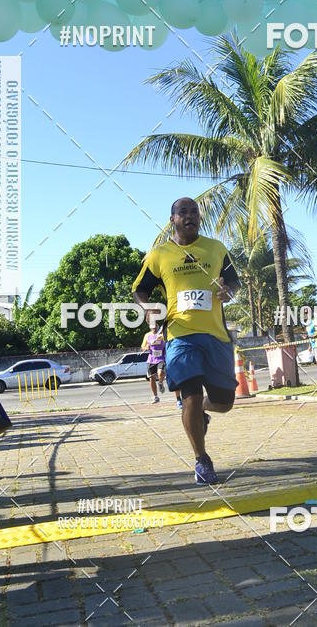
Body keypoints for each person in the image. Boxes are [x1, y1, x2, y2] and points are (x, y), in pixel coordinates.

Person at [133, 197, 240, 484]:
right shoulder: (159, 254)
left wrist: (228, 290)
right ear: (173, 220)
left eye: (194, 212)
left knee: (225, 401)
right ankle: (202, 461)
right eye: (183, 212)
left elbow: (235, 281)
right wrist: (148, 308)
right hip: (180, 335)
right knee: (190, 395)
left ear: (199, 218)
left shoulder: (216, 248)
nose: (189, 216)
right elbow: (139, 290)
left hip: (216, 336)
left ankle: (203, 411)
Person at [141, 321, 166, 403]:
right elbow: (143, 347)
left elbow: (166, 342)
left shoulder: (162, 335)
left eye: (155, 326)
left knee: (160, 373)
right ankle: (155, 397)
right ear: (150, 327)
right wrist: (146, 347)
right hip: (151, 359)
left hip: (161, 358)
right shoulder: (147, 335)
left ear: (158, 326)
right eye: (152, 327)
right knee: (151, 378)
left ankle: (161, 383)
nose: (154, 328)